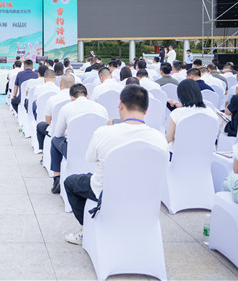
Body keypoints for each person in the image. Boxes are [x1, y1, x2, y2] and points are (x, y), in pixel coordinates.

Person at [63, 86, 167, 245]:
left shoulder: (104, 132)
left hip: (106, 192)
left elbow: (90, 158)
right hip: (145, 196)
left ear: (121, 105)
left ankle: (86, 230)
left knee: (71, 182)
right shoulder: (159, 139)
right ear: (146, 110)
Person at [50, 84, 108, 194]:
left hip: (73, 151)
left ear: (71, 97)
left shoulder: (66, 108)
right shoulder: (101, 108)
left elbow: (58, 134)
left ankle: (57, 178)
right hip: (97, 152)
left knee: (54, 140)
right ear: (87, 95)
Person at [166, 79, 218, 152]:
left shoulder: (177, 113)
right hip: (205, 154)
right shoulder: (211, 112)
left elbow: (169, 139)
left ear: (181, 96)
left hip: (179, 154)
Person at [36, 74, 77, 153]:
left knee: (40, 126)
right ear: (74, 85)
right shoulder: (77, 99)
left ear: (60, 83)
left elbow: (48, 121)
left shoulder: (52, 99)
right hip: (73, 130)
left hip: (54, 131)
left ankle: (42, 150)